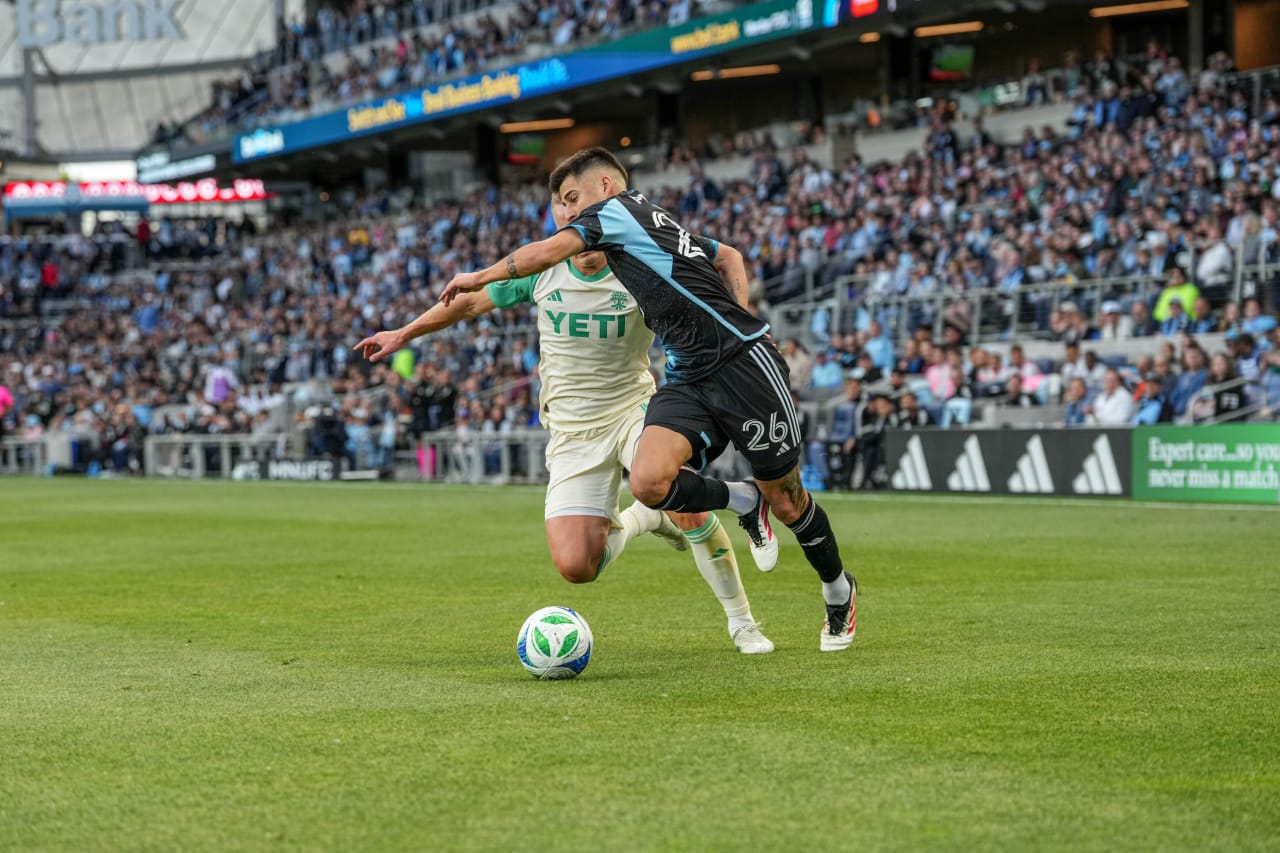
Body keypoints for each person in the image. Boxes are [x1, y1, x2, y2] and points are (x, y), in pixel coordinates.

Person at [440, 147, 857, 651]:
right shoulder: (640, 226)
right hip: (687, 376)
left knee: (787, 501)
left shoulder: (616, 213)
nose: (568, 213)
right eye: (561, 204)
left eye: (573, 199)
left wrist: (479, 274)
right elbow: (726, 255)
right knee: (650, 481)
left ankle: (838, 591)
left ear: (605, 188)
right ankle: (742, 500)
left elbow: (546, 252)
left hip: (744, 369)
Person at [357, 200, 773, 654]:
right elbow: (470, 302)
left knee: (684, 504)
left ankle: (743, 623)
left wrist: (740, 333)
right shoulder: (538, 270)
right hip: (572, 431)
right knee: (577, 566)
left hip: (636, 410)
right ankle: (645, 517)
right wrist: (402, 334)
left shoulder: (641, 262)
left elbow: (723, 259)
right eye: (566, 219)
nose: (577, 231)